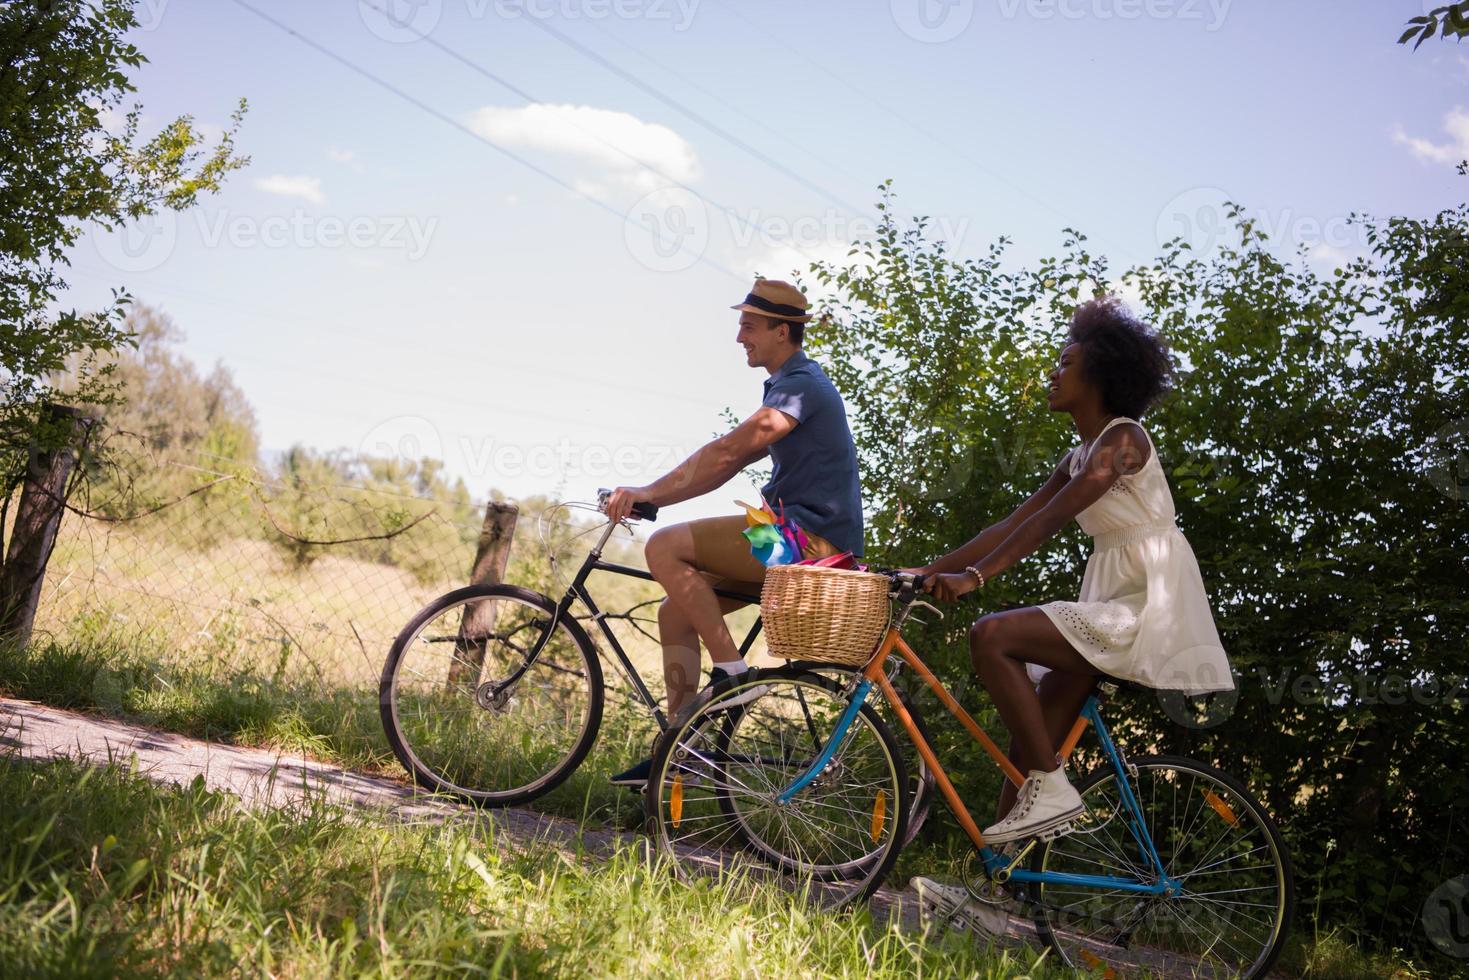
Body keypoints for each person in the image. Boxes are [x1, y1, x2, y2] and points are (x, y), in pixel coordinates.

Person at [912, 296, 1232, 849]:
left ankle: (1058, 792)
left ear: (1101, 374)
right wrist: (926, 571)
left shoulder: (1124, 440)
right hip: (1108, 598)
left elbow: (1052, 521)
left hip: (1143, 606)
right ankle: (1000, 886)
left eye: (1066, 363)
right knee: (1029, 751)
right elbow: (1017, 521)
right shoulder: (1079, 453)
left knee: (992, 635)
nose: (1054, 372)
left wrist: (976, 579)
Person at [603, 278, 864, 788]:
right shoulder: (790, 384)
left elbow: (727, 452)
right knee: (675, 610)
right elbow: (725, 463)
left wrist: (648, 494)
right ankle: (680, 752)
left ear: (782, 331)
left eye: (748, 326)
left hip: (811, 543)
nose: (739, 337)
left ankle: (733, 674)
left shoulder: (802, 384)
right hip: (795, 537)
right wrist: (653, 494)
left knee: (665, 546)